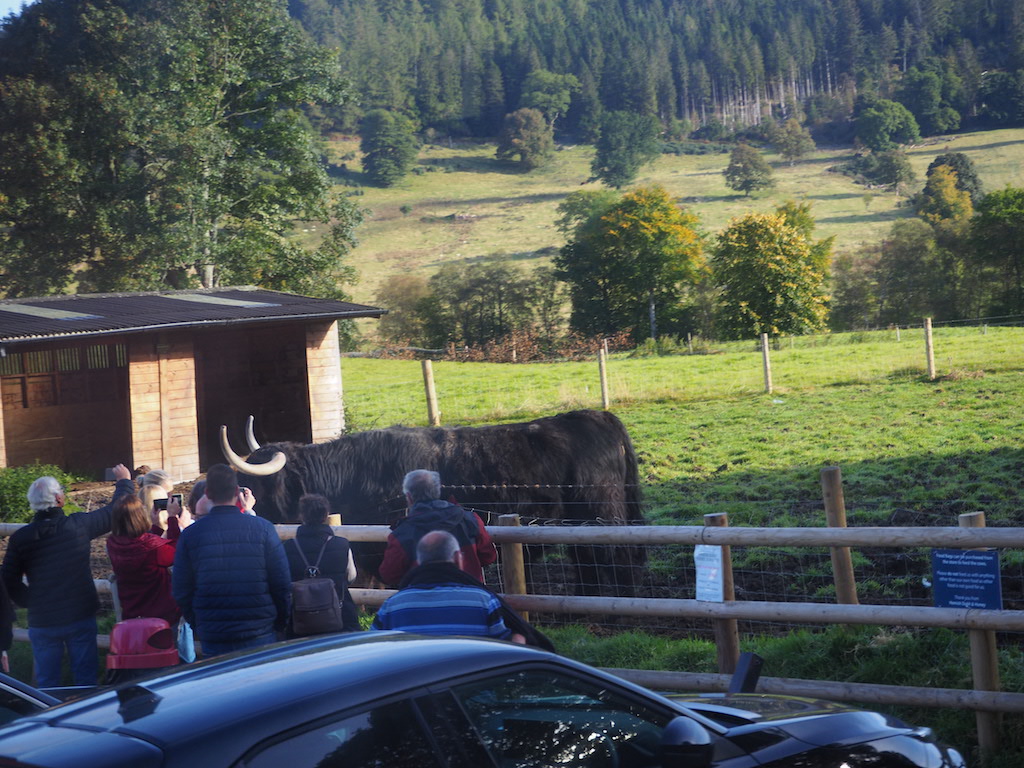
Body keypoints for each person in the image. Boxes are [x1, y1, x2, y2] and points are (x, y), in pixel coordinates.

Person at [1, 464, 134, 687]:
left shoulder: (21, 538)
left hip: (43, 619)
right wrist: (124, 482)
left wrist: (31, 601)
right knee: (85, 678)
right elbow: (115, 510)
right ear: (60, 500)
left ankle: (49, 715)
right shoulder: (78, 526)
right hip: (79, 614)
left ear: (33, 504)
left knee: (47, 682)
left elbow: (8, 579)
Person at [172, 464, 290, 657]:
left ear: (208, 493)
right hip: (259, 630)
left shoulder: (190, 535)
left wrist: (199, 624)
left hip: (214, 633)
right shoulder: (264, 529)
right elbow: (281, 583)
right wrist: (279, 622)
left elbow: (181, 590)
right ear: (237, 492)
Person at [372, 530, 524, 643]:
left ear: (418, 562)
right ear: (458, 558)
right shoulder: (484, 601)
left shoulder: (392, 606)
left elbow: (372, 646)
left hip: (412, 684)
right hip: (469, 683)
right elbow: (502, 647)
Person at [378, 469, 497, 586]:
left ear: (409, 497)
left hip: (422, 600)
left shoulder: (401, 533)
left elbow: (389, 575)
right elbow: (489, 556)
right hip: (469, 596)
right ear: (437, 491)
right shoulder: (470, 520)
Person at [107, 493, 190, 627]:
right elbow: (176, 552)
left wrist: (156, 527)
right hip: (162, 618)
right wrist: (172, 519)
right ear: (141, 516)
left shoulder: (113, 544)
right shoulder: (150, 547)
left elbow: (150, 553)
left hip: (133, 615)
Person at [285, 494, 361, 634]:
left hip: (300, 617)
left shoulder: (288, 546)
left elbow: (284, 580)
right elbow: (351, 577)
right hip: (340, 615)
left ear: (301, 515)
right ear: (326, 515)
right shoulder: (342, 544)